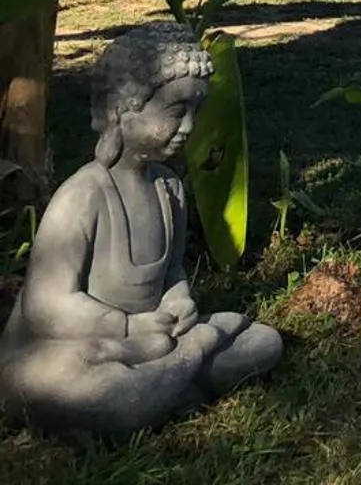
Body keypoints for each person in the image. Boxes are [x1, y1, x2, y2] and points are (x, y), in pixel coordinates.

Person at [0, 23, 282, 435]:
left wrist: (178, 298)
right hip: (74, 347)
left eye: (195, 111)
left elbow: (172, 272)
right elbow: (45, 307)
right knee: (91, 389)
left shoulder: (169, 188)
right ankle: (187, 363)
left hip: (152, 339)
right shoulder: (83, 195)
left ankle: (162, 384)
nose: (189, 126)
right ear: (122, 110)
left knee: (263, 343)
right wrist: (128, 328)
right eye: (176, 111)